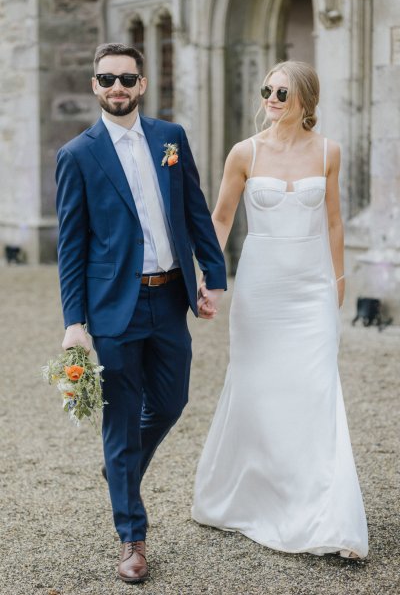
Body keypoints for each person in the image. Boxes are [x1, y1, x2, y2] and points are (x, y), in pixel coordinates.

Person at [56, 42, 226, 583]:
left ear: (143, 83)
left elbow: (195, 209)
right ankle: (132, 538)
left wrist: (213, 277)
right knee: (121, 418)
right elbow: (71, 246)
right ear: (94, 86)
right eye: (107, 80)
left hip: (170, 295)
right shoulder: (77, 155)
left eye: (127, 79)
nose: (118, 89)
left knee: (173, 401)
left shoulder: (170, 139)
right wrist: (74, 322)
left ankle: (120, 467)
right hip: (113, 308)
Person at [192, 61, 368, 560]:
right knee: (257, 386)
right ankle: (251, 494)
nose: (271, 97)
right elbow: (221, 218)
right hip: (261, 288)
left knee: (316, 389)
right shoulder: (244, 152)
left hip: (311, 288)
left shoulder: (329, 151)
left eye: (282, 92)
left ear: (306, 101)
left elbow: (334, 223)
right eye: (267, 89)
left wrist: (337, 280)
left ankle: (321, 508)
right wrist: (207, 279)